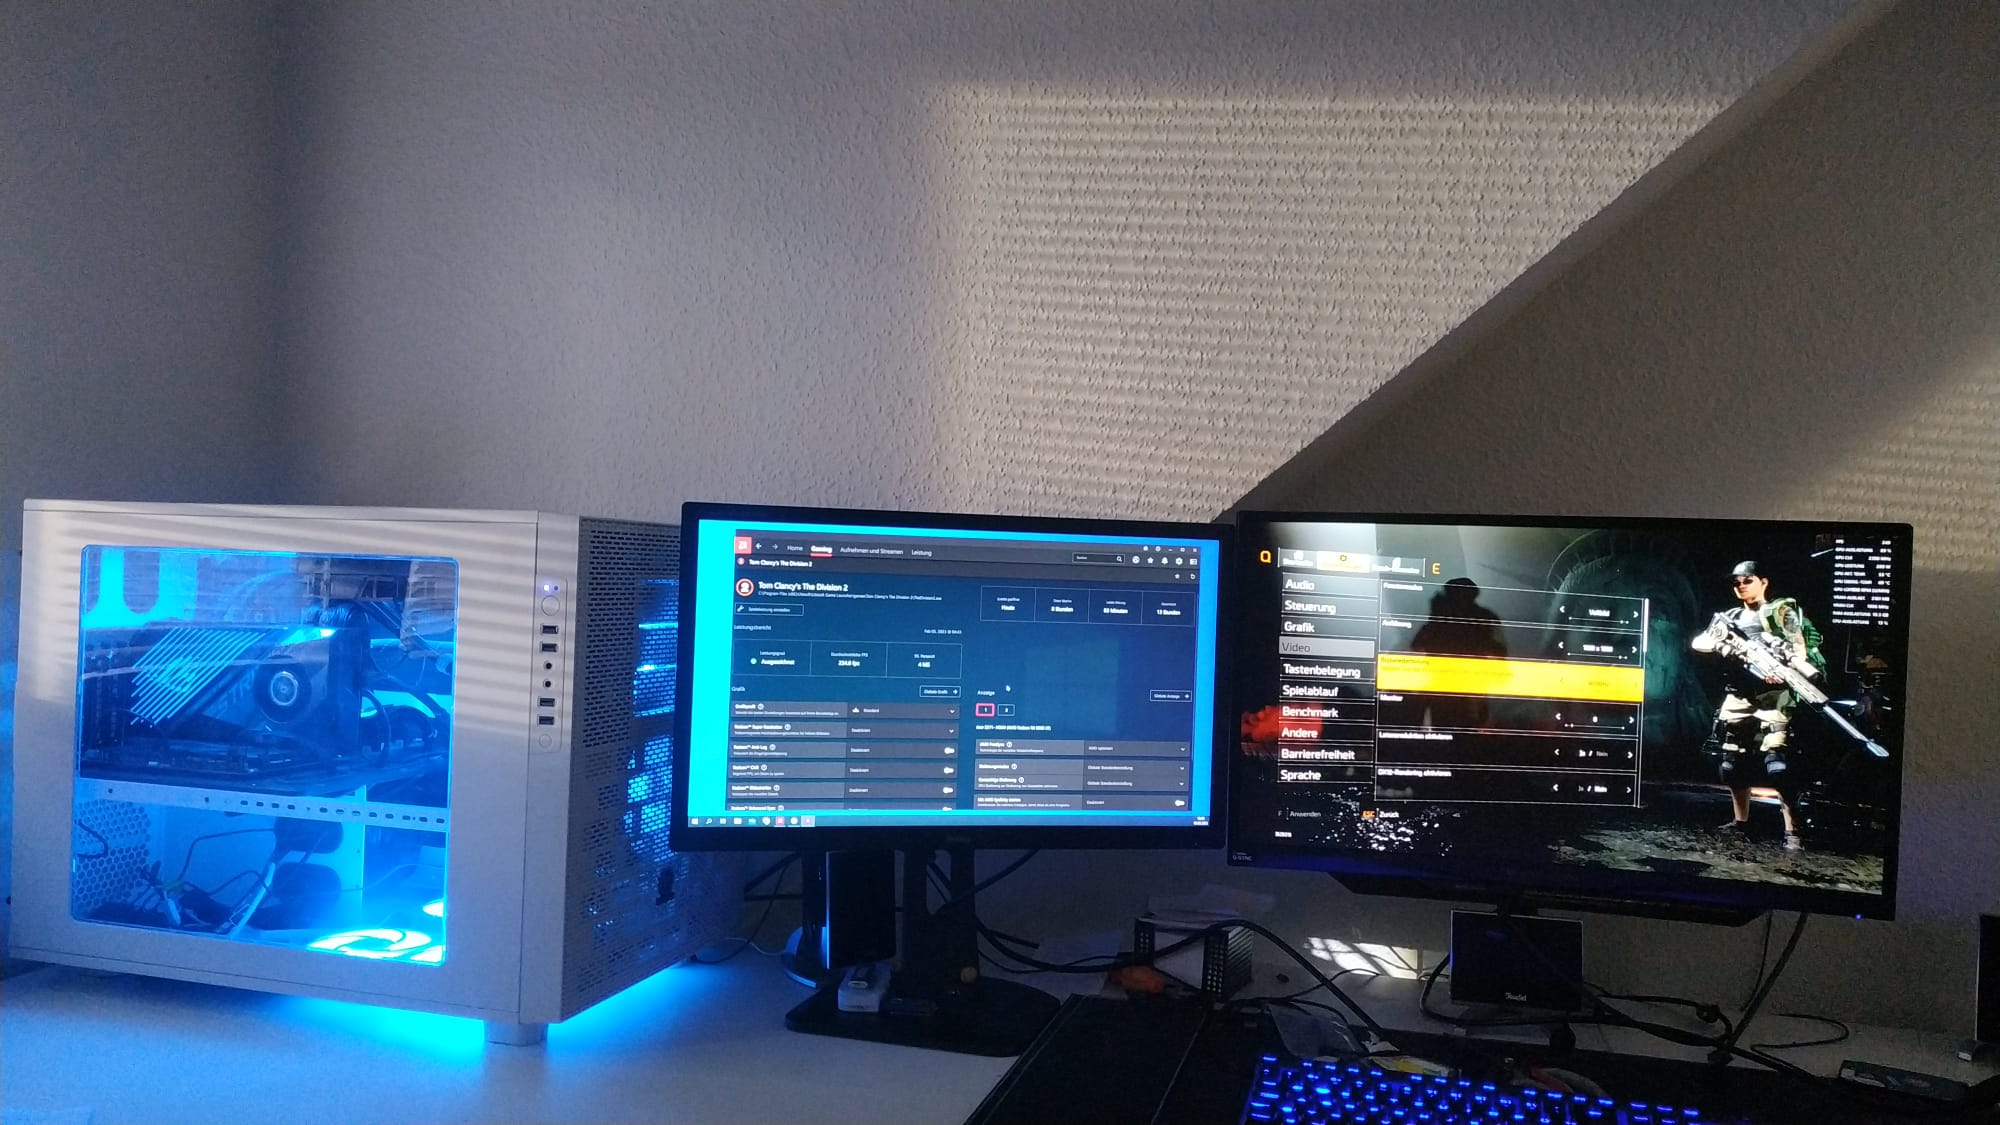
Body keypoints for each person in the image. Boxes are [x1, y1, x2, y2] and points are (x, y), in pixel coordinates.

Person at [1691, 560, 1825, 849]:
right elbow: (1699, 642)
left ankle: (1793, 830)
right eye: (1737, 582)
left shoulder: (1781, 612)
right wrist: (1725, 646)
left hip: (1774, 696)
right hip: (1739, 694)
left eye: (1747, 580)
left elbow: (1798, 651)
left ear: (1763, 582)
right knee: (1731, 763)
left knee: (1778, 767)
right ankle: (1741, 822)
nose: (1741, 586)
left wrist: (1781, 666)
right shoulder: (1730, 616)